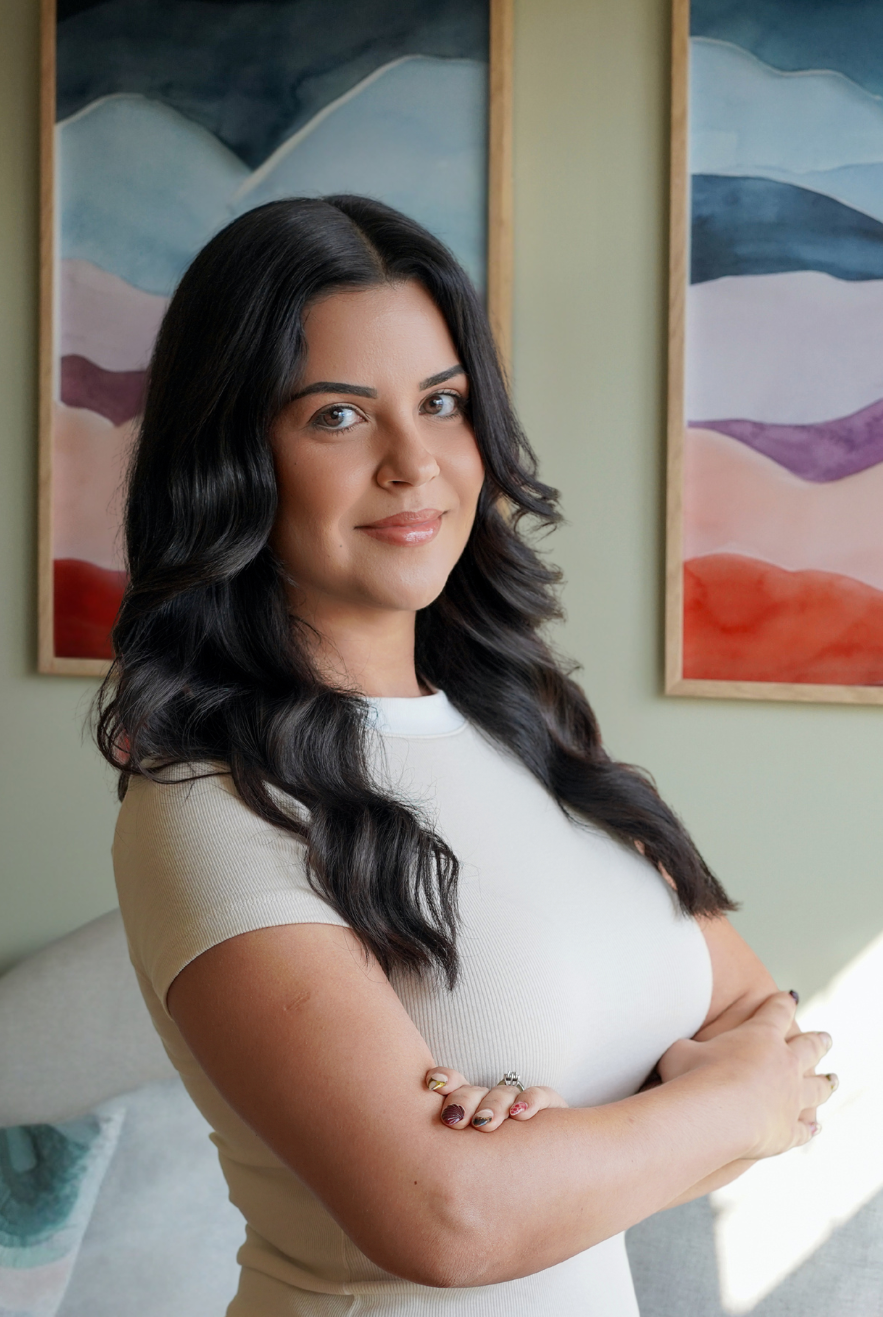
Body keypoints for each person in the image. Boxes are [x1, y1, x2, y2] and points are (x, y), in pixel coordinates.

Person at [99, 195, 835, 1316]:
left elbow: (761, 1030)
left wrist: (571, 1151)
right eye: (338, 418)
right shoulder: (213, 800)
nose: (416, 464)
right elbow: (450, 1220)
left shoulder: (527, 728)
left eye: (442, 404)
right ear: (232, 457)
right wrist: (726, 1109)